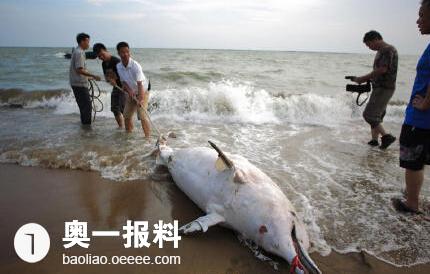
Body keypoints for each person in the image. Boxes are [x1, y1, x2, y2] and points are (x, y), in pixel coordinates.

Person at [392, 0, 430, 214]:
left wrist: (425, 103)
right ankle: (413, 195)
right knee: (420, 158)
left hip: (422, 118)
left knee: (413, 160)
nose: (418, 20)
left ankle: (412, 204)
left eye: (422, 15)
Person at [352, 30, 398, 149]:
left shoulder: (387, 49)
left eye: (369, 44)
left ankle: (387, 137)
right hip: (381, 87)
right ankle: (374, 140)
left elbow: (382, 69)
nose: (369, 48)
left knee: (369, 115)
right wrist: (368, 81)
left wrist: (362, 78)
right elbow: (381, 72)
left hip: (384, 88)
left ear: (375, 39)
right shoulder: (382, 51)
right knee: (377, 115)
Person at [115, 42, 151, 139]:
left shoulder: (136, 66)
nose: (125, 54)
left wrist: (140, 99)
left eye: (127, 51)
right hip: (132, 92)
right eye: (122, 52)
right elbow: (123, 82)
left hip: (143, 90)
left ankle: (147, 139)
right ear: (118, 53)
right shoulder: (118, 66)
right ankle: (129, 137)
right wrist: (129, 91)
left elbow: (140, 84)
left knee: (142, 115)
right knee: (126, 115)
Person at [69, 33, 101, 125]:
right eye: (88, 41)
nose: (88, 44)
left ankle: (84, 127)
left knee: (84, 107)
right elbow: (80, 70)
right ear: (82, 41)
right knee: (87, 107)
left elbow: (78, 70)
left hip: (77, 83)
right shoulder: (79, 53)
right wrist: (94, 75)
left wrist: (89, 77)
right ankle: (87, 129)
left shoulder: (77, 51)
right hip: (79, 84)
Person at [93, 43, 126, 128]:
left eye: (102, 55)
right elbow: (107, 77)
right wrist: (107, 79)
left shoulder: (116, 61)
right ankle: (121, 127)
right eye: (99, 57)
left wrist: (115, 80)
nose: (101, 58)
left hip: (124, 88)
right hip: (116, 88)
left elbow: (125, 76)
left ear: (106, 50)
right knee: (115, 109)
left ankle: (128, 128)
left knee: (124, 110)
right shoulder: (104, 64)